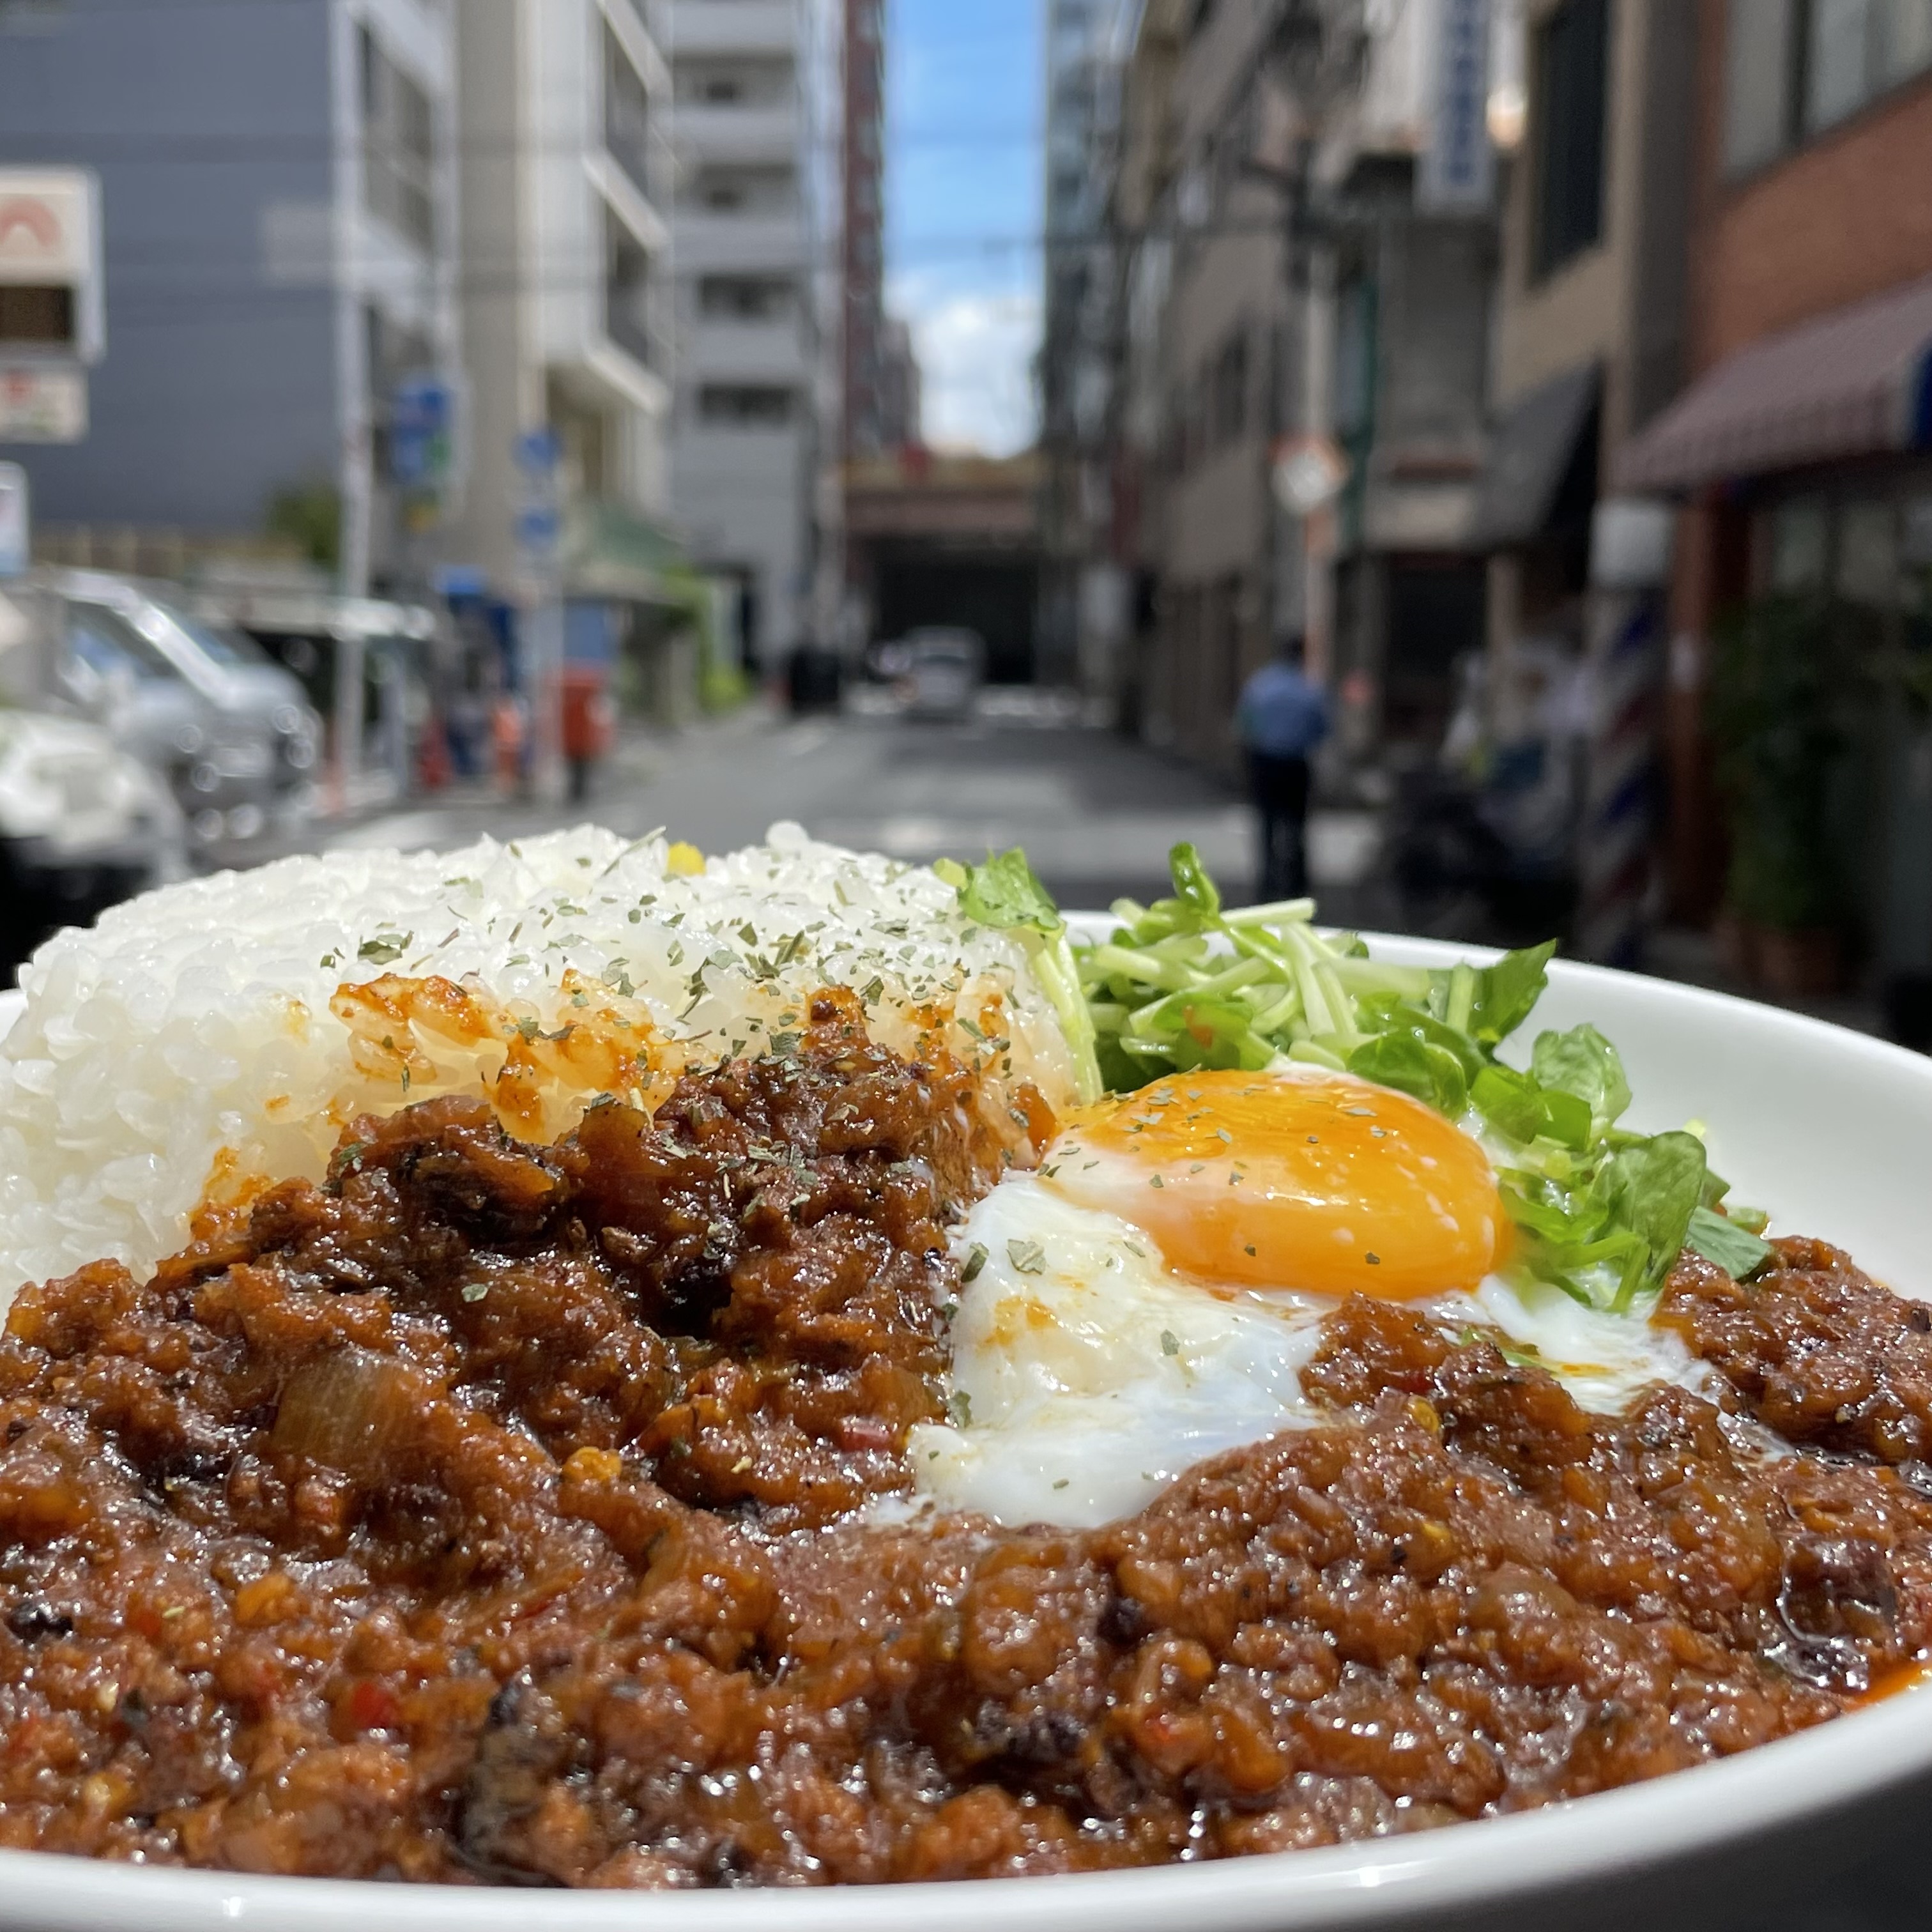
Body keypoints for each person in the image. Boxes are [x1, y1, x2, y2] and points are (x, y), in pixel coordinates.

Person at [1236, 632, 1331, 901]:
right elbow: (1322, 728)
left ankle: (1267, 881)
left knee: (1267, 823)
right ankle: (1297, 883)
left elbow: (1245, 724)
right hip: (1296, 763)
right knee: (1297, 824)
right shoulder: (1309, 689)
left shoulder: (1261, 685)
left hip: (1265, 761)